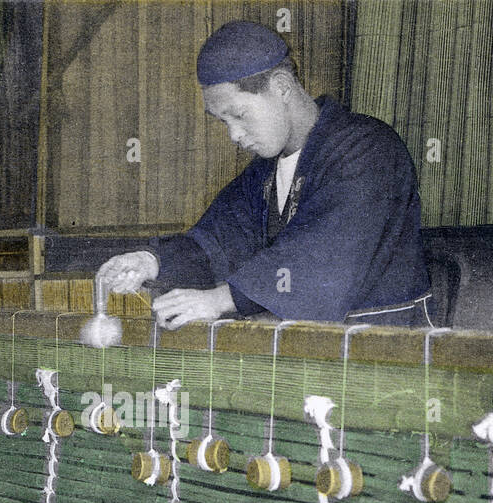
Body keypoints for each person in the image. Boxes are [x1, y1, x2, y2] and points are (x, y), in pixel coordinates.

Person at [96, 20, 430, 330]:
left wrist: (218, 300)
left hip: (388, 346)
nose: (234, 135)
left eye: (239, 115)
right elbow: (217, 241)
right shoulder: (264, 172)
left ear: (281, 86)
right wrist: (151, 261)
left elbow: (321, 260)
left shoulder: (369, 148)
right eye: (224, 122)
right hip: (318, 348)